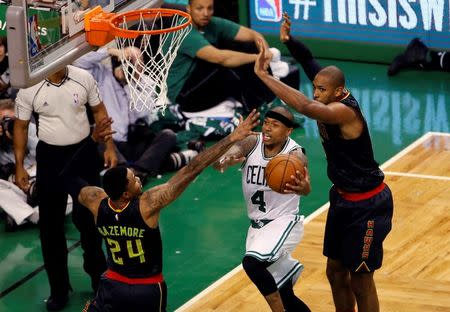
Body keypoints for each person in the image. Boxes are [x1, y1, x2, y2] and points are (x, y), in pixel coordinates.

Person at [253, 13, 394, 312]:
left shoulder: (344, 112)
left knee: (361, 281)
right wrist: (290, 42)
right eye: (315, 88)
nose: (316, 93)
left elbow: (305, 107)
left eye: (322, 90)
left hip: (368, 205)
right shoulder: (329, 91)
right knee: (334, 272)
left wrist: (266, 77)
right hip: (342, 200)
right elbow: (310, 63)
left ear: (339, 92)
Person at [78, 110, 260, 311]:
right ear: (125, 195)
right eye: (133, 180)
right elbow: (192, 169)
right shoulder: (147, 204)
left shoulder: (96, 202)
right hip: (146, 288)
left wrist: (91, 141)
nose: (138, 178)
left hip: (112, 284)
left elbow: (73, 181)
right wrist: (232, 137)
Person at [14, 65, 118, 311]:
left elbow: (99, 111)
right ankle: (59, 290)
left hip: (83, 154)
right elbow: (20, 125)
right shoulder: (30, 85)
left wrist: (109, 146)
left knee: (90, 222)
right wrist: (19, 165)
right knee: (50, 227)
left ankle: (97, 278)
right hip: (50, 159)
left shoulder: (83, 77)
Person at [213, 106, 311, 312]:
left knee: (252, 264)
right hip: (256, 230)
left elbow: (306, 185)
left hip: (283, 223)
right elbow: (221, 161)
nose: (268, 128)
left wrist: (304, 187)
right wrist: (226, 160)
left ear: (288, 131)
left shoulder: (294, 153)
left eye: (275, 125)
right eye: (266, 123)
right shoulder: (251, 142)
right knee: (285, 294)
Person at [73, 47, 200, 181]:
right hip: (112, 142)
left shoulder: (145, 83)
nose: (133, 67)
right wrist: (111, 51)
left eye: (137, 64)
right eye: (129, 62)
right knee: (100, 138)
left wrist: (131, 83)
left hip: (134, 140)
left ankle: (136, 171)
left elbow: (142, 112)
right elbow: (79, 62)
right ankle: (172, 160)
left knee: (168, 136)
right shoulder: (102, 75)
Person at [166, 0, 277, 113]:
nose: (205, 13)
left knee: (249, 48)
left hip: (200, 78)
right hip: (183, 97)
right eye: (199, 9)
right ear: (188, 9)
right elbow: (221, 58)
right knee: (230, 71)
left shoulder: (211, 23)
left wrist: (265, 52)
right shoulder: (184, 30)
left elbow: (254, 35)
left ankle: (272, 99)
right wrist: (258, 58)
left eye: (209, 8)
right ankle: (256, 113)